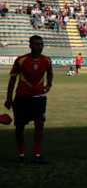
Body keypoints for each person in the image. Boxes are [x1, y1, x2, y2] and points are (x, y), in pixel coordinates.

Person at [4, 35, 53, 163]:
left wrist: (49, 84)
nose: (40, 47)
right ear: (30, 45)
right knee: (20, 126)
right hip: (21, 98)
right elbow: (12, 79)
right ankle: (21, 155)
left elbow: (50, 73)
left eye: (41, 44)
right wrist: (9, 98)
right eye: (36, 44)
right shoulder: (21, 60)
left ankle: (36, 155)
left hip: (38, 97)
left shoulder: (47, 60)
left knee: (40, 123)